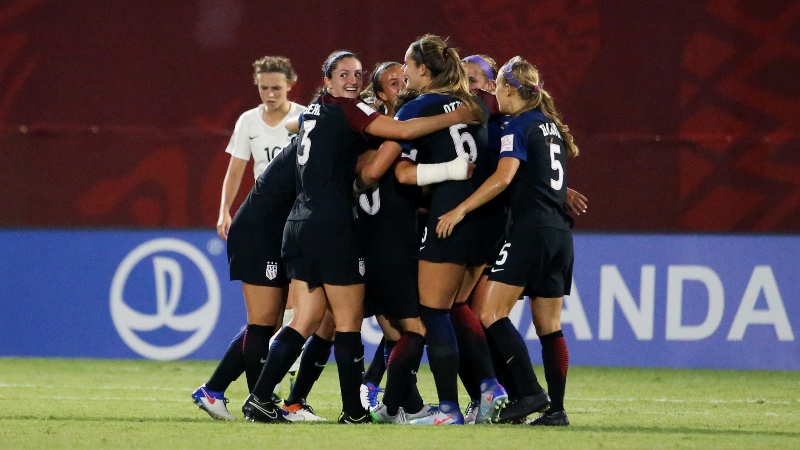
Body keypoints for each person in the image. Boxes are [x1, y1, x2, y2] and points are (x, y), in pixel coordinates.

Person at [240, 50, 480, 424]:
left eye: (356, 73)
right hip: (334, 228)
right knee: (349, 323)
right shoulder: (352, 112)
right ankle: (354, 411)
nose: (352, 79)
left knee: (305, 320)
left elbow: (301, 132)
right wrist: (458, 115)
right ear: (327, 81)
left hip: (299, 224)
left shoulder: (313, 112)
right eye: (343, 74)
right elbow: (401, 134)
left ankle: (259, 398)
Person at [374, 35, 509, 425]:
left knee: (432, 311)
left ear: (423, 70)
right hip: (487, 217)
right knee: (457, 306)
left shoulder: (416, 109)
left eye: (407, 65)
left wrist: (444, 172)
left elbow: (401, 172)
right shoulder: (476, 104)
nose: (403, 72)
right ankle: (488, 386)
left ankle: (448, 407)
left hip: (450, 215)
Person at [437, 56, 579, 426]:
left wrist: (460, 209)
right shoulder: (549, 125)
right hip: (560, 233)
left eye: (496, 85)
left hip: (529, 230)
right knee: (549, 325)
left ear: (509, 89)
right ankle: (557, 410)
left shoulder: (517, 125)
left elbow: (502, 178)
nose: (492, 93)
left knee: (489, 312)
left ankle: (529, 392)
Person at [192, 56, 307, 421]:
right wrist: (224, 210)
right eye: (263, 87)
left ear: (291, 84)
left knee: (275, 320)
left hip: (291, 224)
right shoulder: (248, 121)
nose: (270, 94)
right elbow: (235, 169)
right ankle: (264, 400)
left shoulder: (304, 117)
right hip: (265, 223)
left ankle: (225, 391)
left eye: (276, 87)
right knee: (267, 321)